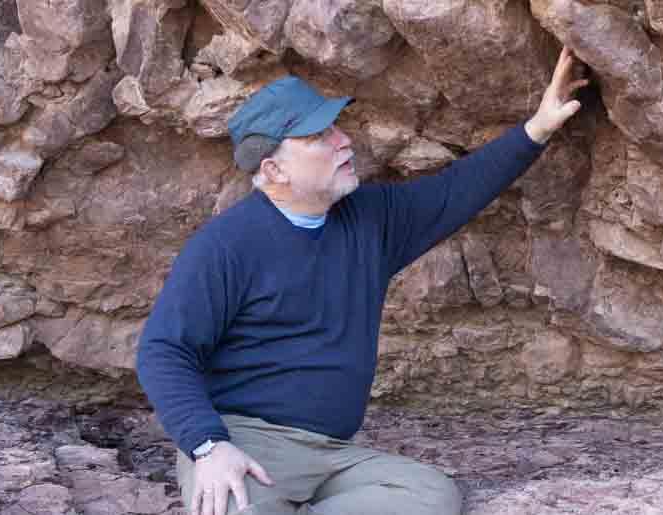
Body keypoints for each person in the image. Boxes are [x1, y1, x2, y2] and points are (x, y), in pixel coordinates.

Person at [134, 48, 588, 515]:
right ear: (274, 170)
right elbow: (163, 351)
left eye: (335, 127)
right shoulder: (225, 246)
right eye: (319, 136)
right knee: (237, 508)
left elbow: (457, 190)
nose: (343, 141)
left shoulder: (369, 219)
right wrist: (208, 446)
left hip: (334, 455)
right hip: (244, 443)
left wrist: (539, 126)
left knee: (430, 498)